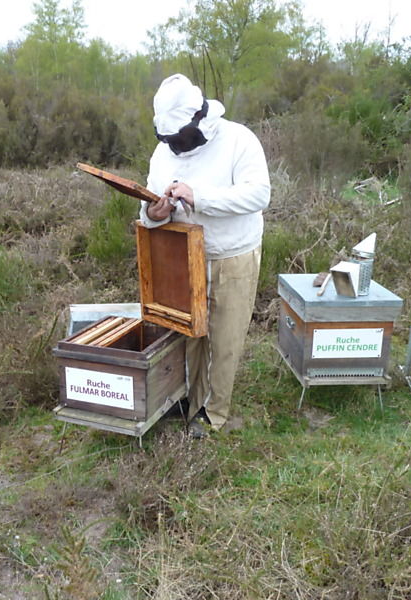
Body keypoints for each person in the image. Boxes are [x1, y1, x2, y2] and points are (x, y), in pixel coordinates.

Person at [139, 73, 270, 438]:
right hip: (180, 257)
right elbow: (148, 200)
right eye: (169, 138)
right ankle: (183, 398)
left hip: (232, 256)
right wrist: (153, 213)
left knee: (223, 338)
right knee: (185, 332)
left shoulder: (239, 139)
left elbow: (259, 194)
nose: (175, 144)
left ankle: (211, 412)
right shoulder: (162, 154)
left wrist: (200, 197)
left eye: (179, 136)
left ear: (199, 119)